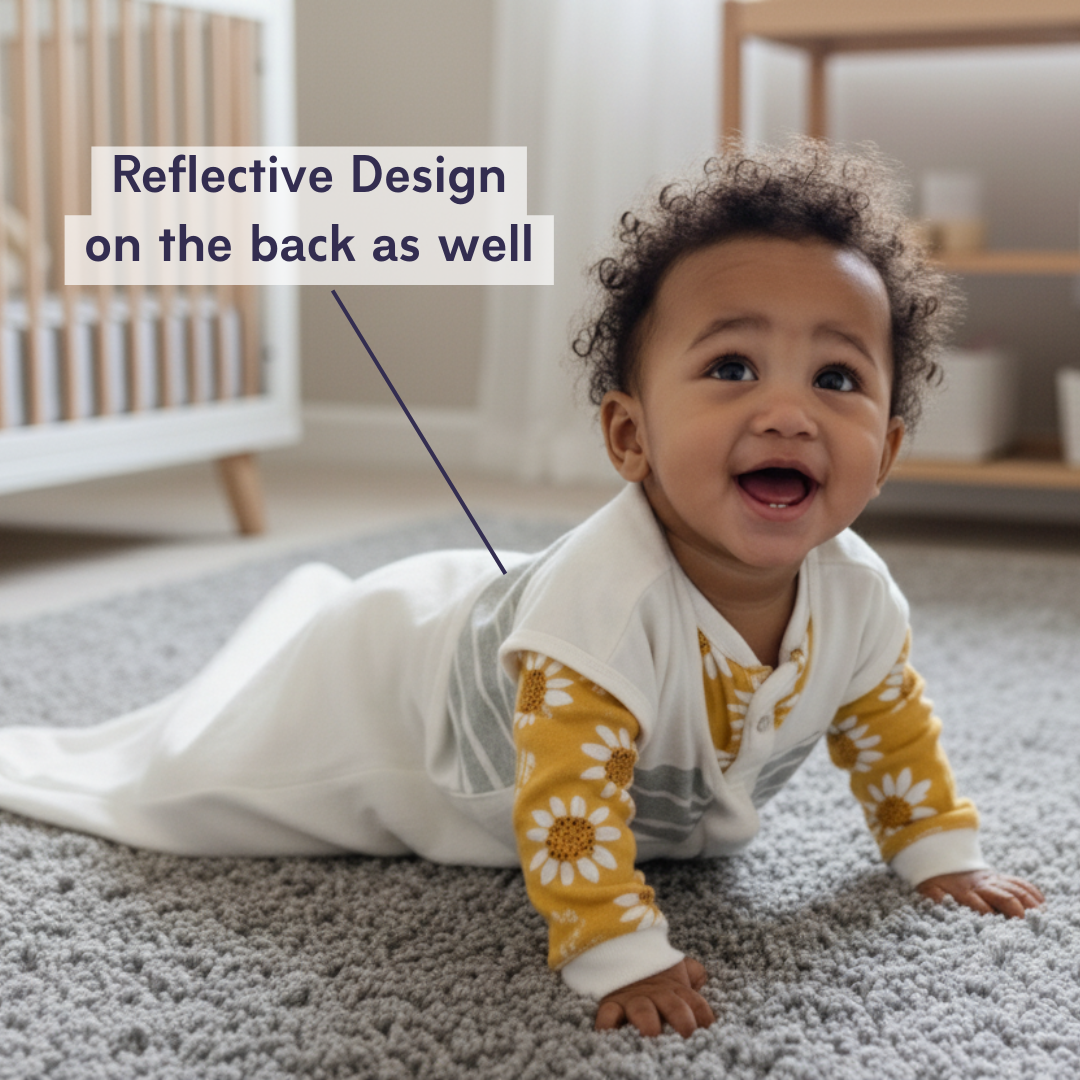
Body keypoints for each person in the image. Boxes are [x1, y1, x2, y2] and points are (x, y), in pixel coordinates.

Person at [0, 140, 1043, 1039]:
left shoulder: (857, 596)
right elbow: (570, 810)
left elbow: (888, 723)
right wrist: (618, 952)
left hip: (497, 610)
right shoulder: (606, 609)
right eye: (731, 368)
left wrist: (935, 851)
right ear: (629, 435)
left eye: (836, 379)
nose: (787, 412)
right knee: (184, 775)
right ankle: (278, 643)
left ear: (887, 450)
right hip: (389, 697)